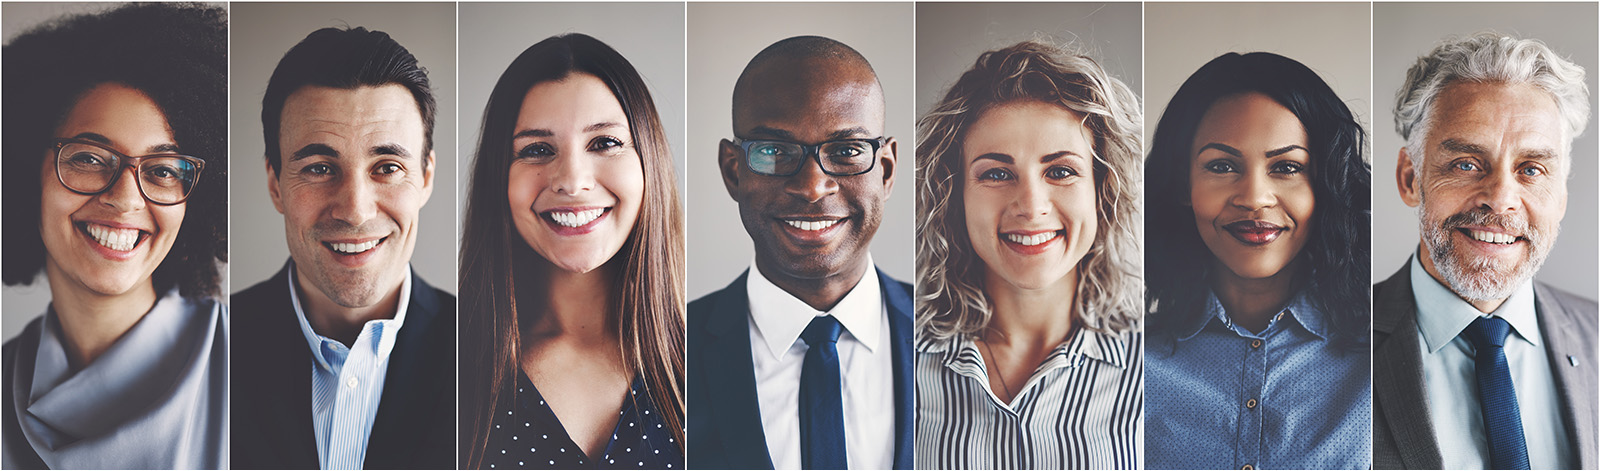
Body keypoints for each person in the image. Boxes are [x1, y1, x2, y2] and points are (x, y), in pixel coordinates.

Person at [0, 3, 229, 469]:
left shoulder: (259, 368)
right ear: (26, 172)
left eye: (163, 170)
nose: (126, 200)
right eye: (88, 158)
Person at [457, 33, 686, 470]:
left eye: (604, 143)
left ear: (648, 163)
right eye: (538, 149)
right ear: (498, 180)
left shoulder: (715, 365)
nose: (572, 180)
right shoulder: (446, 369)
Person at [230, 26, 455, 470]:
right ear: (275, 183)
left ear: (426, 177)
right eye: (318, 168)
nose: (354, 210)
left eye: (387, 167)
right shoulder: (210, 351)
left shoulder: (488, 351)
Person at [913, 40, 1143, 470]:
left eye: (1060, 171)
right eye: (997, 173)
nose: (1031, 205)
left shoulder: (1156, 366)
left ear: (1102, 192)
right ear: (954, 194)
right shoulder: (898, 359)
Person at [687, 35, 912, 470]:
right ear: (733, 171)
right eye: (774, 151)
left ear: (885, 170)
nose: (812, 187)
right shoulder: (669, 349)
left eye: (846, 151)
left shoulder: (945, 337)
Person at [1375, 32, 1597, 470]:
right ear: (1409, 178)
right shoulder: (1342, 339)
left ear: (1562, 197)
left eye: (1531, 169)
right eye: (1466, 164)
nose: (1500, 199)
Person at [1142, 52, 1372, 470]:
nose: (1254, 198)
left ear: (1326, 186)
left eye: (1286, 167)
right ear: (1182, 185)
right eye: (1222, 165)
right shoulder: (1129, 367)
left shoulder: (1381, 358)